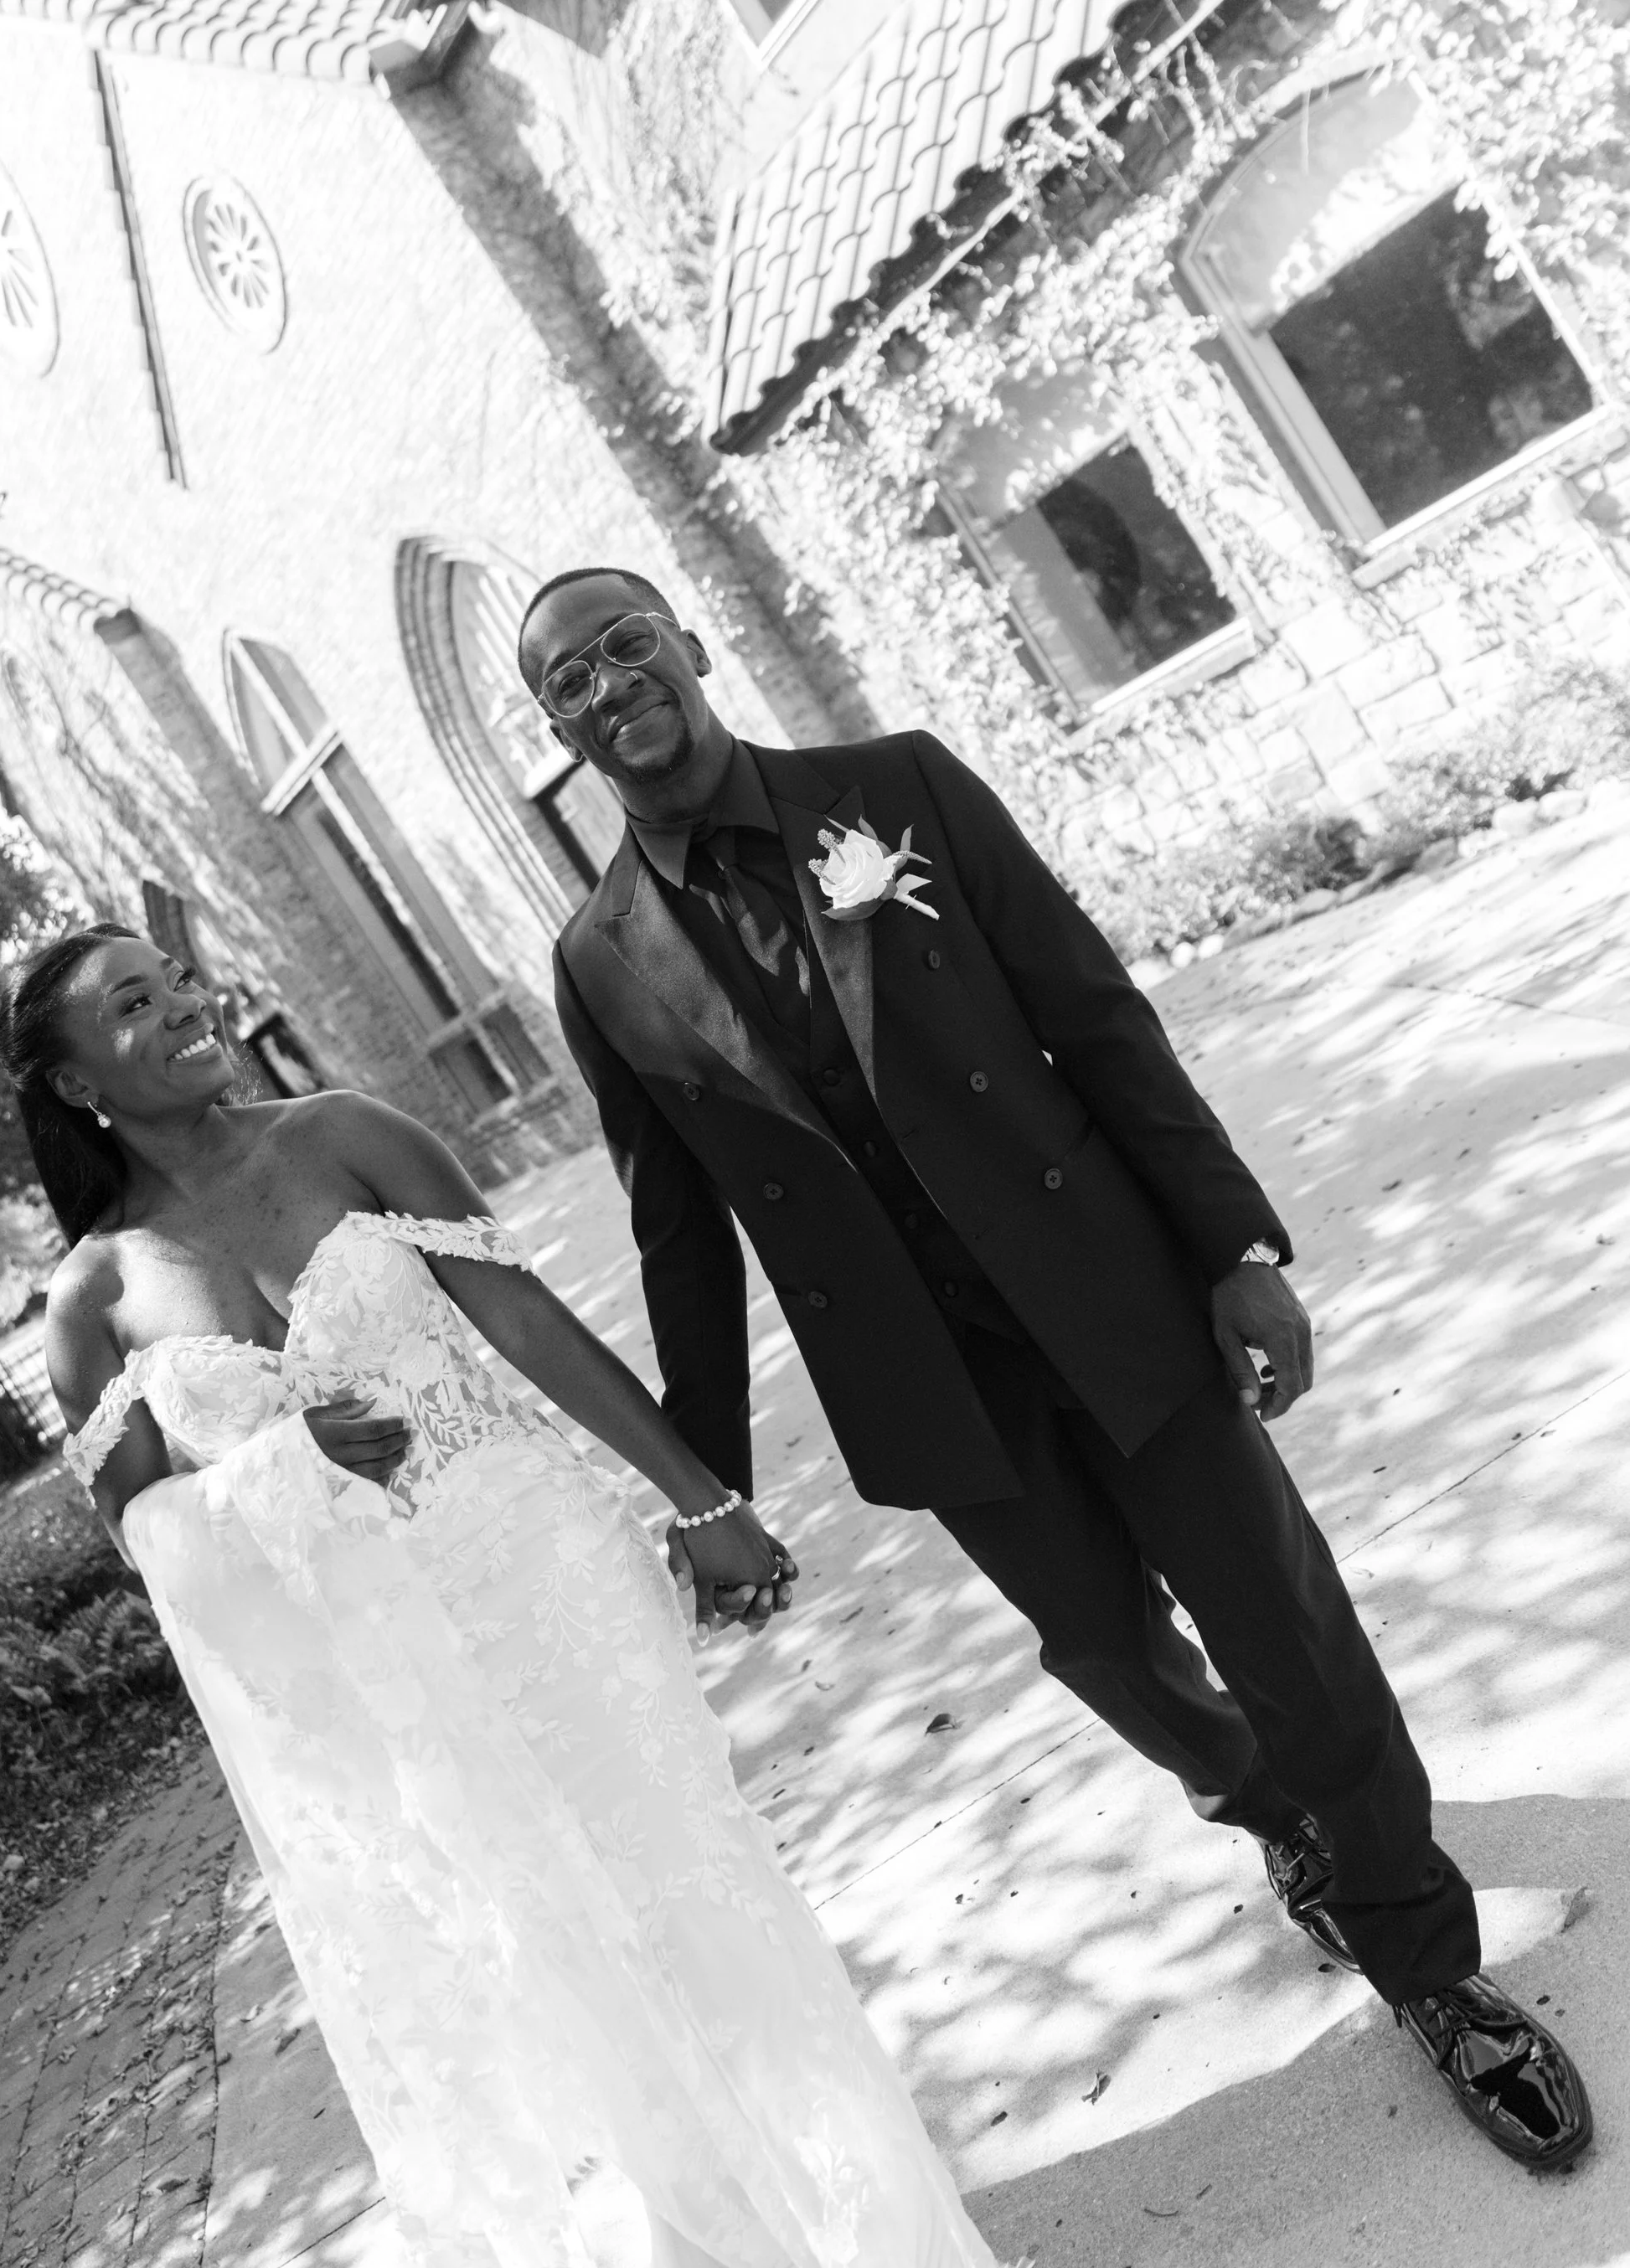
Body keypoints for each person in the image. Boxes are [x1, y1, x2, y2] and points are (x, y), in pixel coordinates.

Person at [0, 926, 1102, 2268]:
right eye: (128, 1008)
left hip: (538, 1567)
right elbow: (144, 1537)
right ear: (74, 1083)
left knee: (709, 1907)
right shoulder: (91, 1300)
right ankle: (755, 2220)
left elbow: (518, 1318)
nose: (180, 1006)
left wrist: (698, 1494)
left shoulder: (354, 1131)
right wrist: (273, 1469)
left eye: (175, 975)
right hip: (392, 1679)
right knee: (583, 1951)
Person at [529, 564, 1592, 2174]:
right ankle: (1273, 1813)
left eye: (625, 644)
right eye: (568, 682)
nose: (610, 685)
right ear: (555, 732)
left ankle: (1430, 1967)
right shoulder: (598, 959)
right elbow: (678, 1236)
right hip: (924, 1379)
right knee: (1105, 1648)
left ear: (686, 641)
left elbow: (1094, 1015)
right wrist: (705, 1490)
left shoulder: (894, 786)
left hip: (1109, 1291)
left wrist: (1235, 1248)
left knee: (1282, 1624)